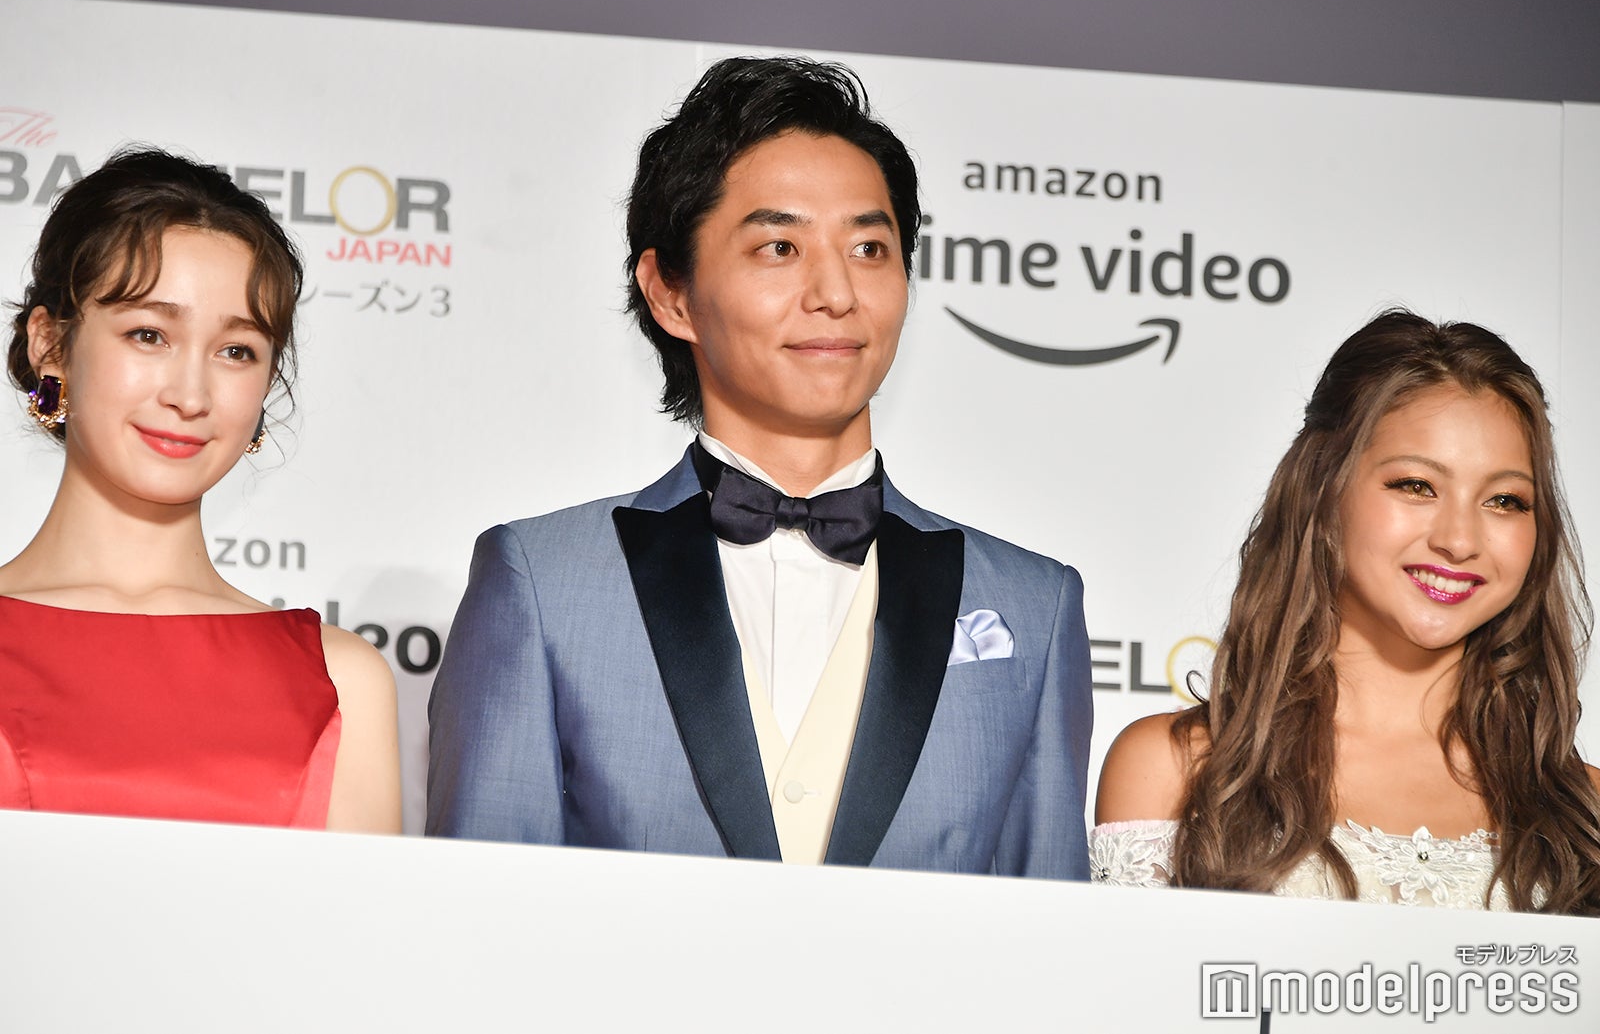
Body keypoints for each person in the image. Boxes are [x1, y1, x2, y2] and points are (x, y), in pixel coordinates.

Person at [427, 56, 1092, 877]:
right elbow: (483, 916)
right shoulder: (543, 581)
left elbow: (1047, 935)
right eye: (780, 246)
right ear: (670, 292)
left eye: (870, 247)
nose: (836, 292)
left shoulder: (1033, 604)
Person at [1093, 309, 1600, 912]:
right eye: (1416, 485)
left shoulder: (1588, 813)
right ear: (1323, 489)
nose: (1460, 540)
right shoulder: (1175, 771)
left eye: (1505, 500)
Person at [0, 148, 400, 832]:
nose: (190, 395)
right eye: (149, 334)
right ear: (51, 345)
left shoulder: (341, 681)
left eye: (237, 351)